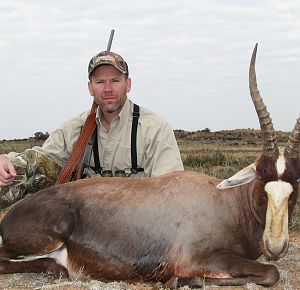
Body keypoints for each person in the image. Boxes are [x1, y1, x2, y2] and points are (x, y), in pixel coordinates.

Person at [0, 50, 184, 209]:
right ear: (90, 88)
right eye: (100, 82)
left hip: (138, 226)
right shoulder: (75, 128)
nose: (108, 89)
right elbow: (41, 160)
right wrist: (7, 162)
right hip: (84, 226)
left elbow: (171, 191)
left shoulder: (155, 128)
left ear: (128, 84)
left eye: (115, 80)